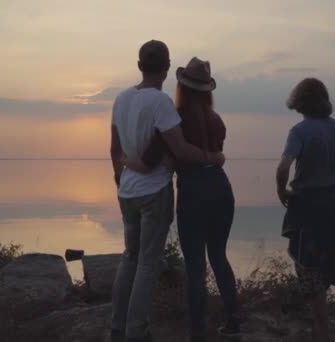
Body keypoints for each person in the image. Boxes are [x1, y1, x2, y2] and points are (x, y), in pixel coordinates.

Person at [110, 41, 225, 342]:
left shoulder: (121, 99)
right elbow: (181, 149)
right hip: (154, 191)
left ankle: (117, 327)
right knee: (148, 263)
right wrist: (213, 158)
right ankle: (137, 331)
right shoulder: (161, 103)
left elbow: (114, 148)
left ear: (139, 65)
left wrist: (119, 177)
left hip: (128, 191)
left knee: (129, 257)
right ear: (166, 67)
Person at [275, 78, 335, 342]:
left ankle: (323, 329)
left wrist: (282, 191)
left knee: (308, 265)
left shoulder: (299, 131)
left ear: (300, 102)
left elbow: (283, 167)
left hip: (306, 203)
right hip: (332, 200)